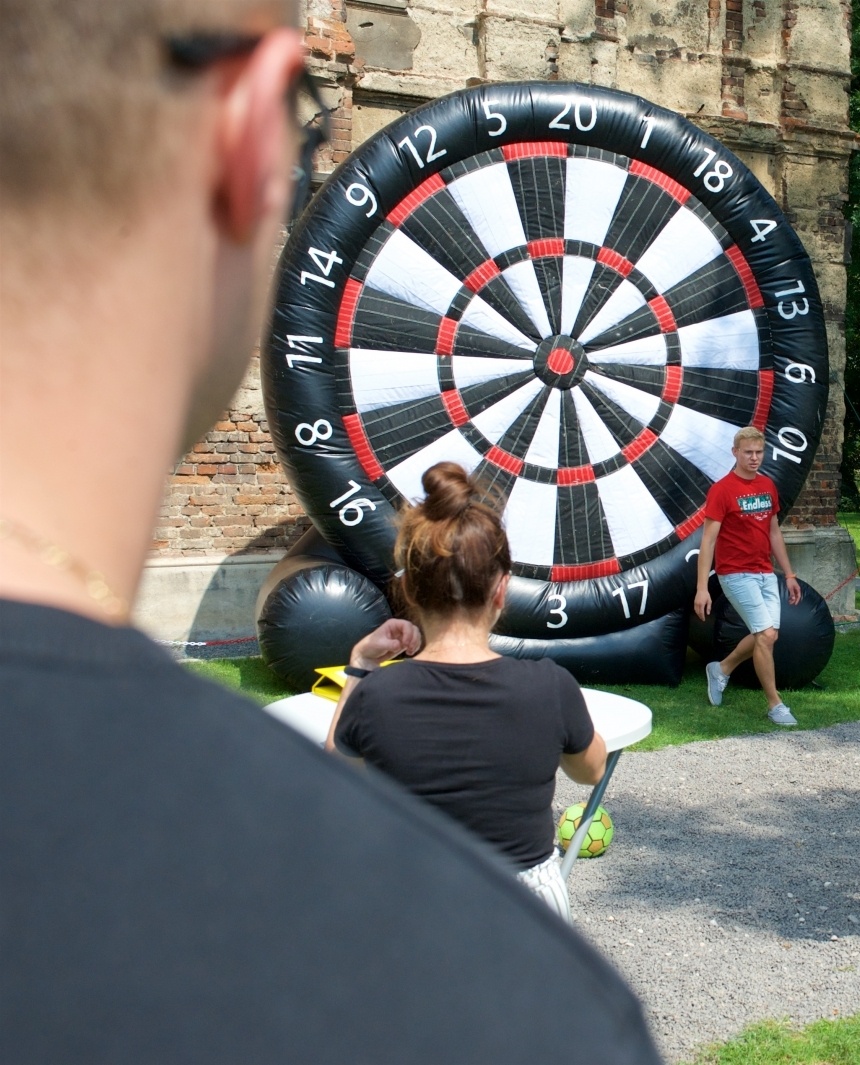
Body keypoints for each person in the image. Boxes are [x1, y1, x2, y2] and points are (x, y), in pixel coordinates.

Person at [0, 3, 658, 1059]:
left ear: (410, 580)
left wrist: (350, 673)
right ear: (246, 132)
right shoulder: (539, 1007)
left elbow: (352, 767)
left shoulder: (369, 710)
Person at [326, 462, 608, 922]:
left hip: (410, 900)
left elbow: (333, 772)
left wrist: (360, 664)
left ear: (411, 591)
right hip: (527, 909)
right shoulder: (549, 686)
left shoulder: (376, 694)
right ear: (501, 590)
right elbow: (592, 771)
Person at [694, 425, 803, 726]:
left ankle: (721, 669)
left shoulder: (767, 486)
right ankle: (775, 704)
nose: (754, 458)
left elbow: (774, 532)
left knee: (768, 636)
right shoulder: (722, 490)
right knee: (766, 635)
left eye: (759, 452)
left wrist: (790, 574)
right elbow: (708, 541)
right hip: (735, 574)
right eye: (748, 453)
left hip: (765, 572)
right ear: (735, 453)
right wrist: (702, 587)